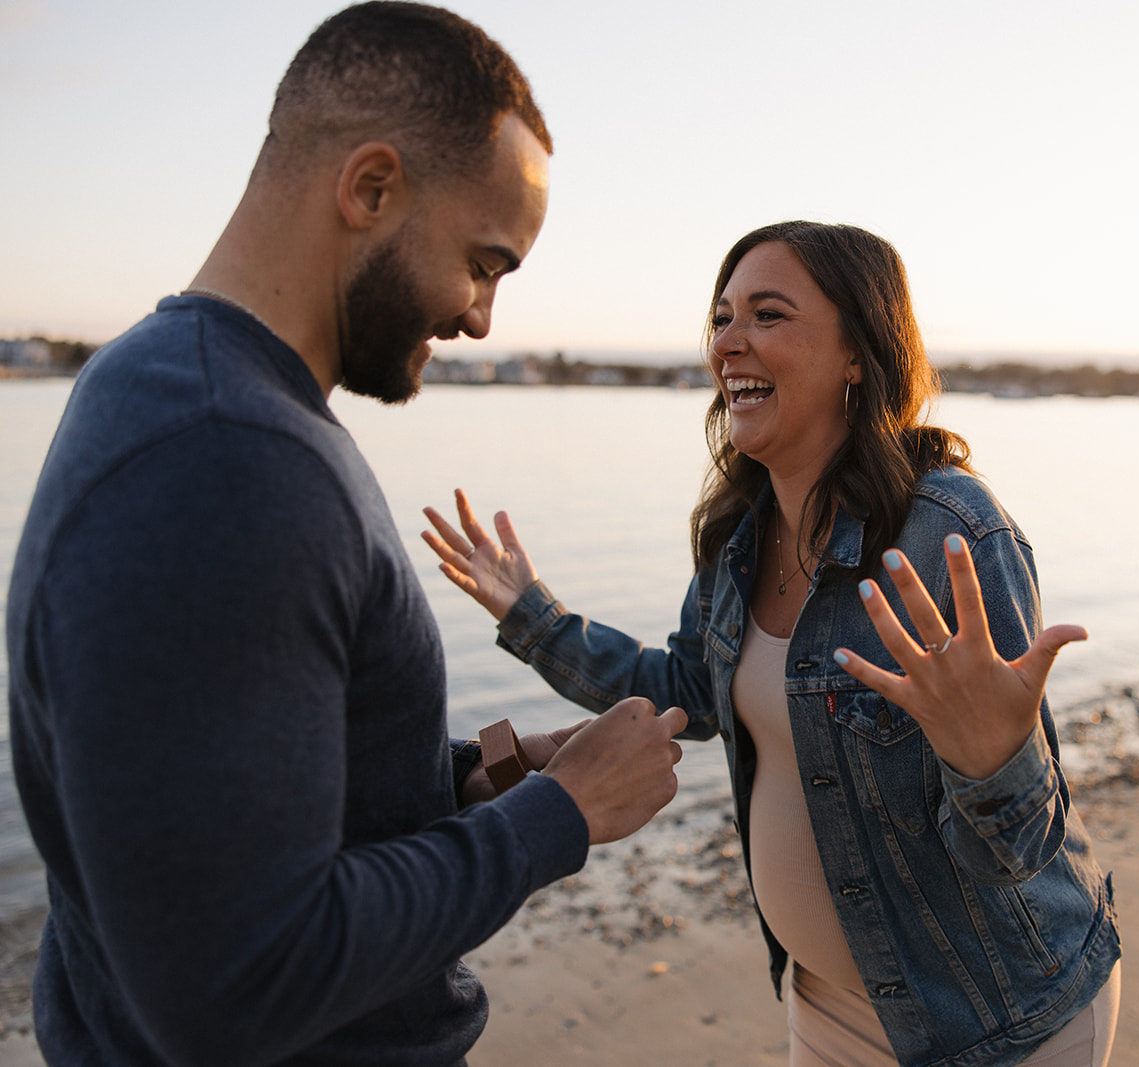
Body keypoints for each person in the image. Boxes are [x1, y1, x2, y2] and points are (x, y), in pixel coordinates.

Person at [4, 4, 686, 1064]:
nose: (480, 319)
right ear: (370, 189)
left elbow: (237, 811)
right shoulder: (226, 455)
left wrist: (464, 777)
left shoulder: (169, 384)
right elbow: (235, 980)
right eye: (484, 260)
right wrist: (557, 816)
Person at [423, 220, 1122, 1066]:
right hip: (824, 1000)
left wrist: (993, 760)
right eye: (722, 318)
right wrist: (533, 616)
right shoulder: (738, 538)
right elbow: (686, 686)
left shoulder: (950, 536)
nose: (729, 343)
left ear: (858, 353)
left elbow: (1015, 848)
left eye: (768, 314)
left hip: (998, 1018)